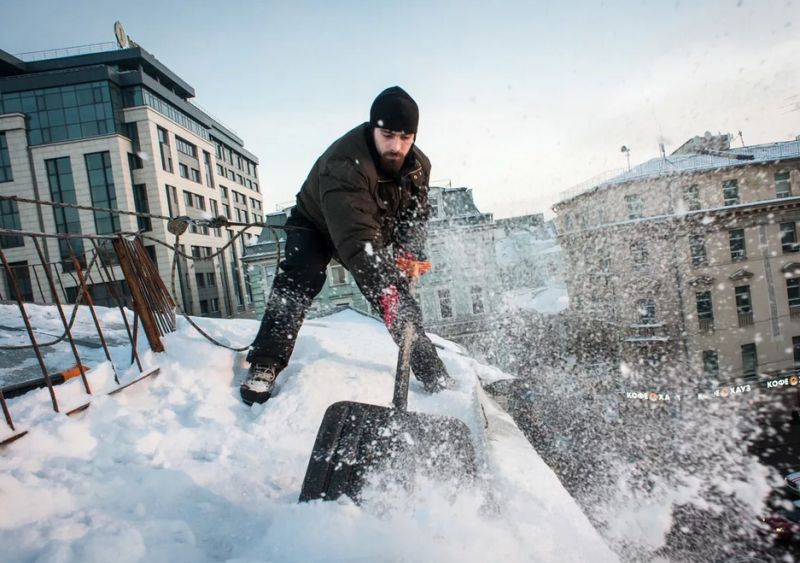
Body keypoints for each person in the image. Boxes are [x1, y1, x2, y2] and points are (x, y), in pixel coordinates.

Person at [241, 86, 453, 405]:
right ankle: (265, 362)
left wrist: (411, 253)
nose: (396, 146)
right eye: (388, 134)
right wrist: (390, 291)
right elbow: (358, 244)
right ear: (373, 129)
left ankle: (432, 372)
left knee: (399, 299)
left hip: (371, 225)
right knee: (301, 278)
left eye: (406, 137)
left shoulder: (418, 166)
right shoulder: (346, 163)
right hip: (316, 223)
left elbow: (415, 215)